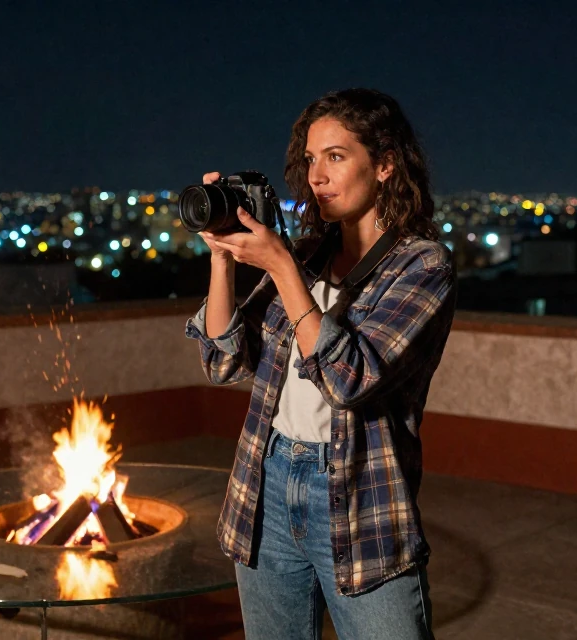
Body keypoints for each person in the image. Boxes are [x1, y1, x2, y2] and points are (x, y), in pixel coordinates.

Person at [185, 88, 456, 640]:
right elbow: (223, 359)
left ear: (384, 165)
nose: (316, 175)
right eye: (310, 159)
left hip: (360, 491)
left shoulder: (423, 265)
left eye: (335, 156)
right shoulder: (308, 253)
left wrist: (283, 269)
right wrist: (222, 258)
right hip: (269, 478)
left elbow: (348, 378)